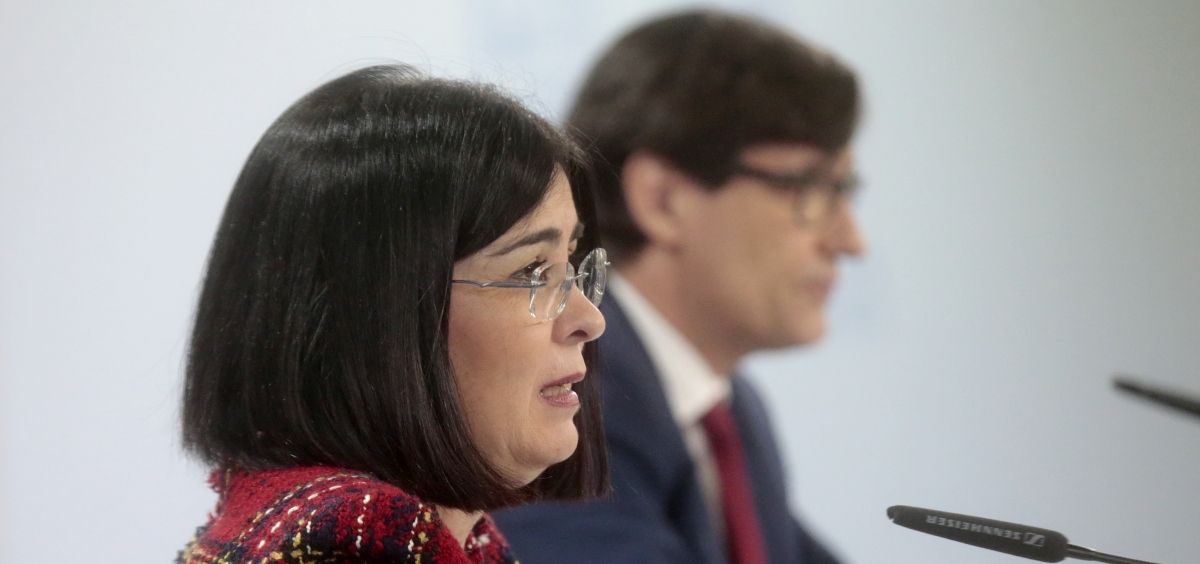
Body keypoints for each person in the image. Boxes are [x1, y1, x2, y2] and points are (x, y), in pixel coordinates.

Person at [178, 64, 610, 563]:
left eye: (571, 263)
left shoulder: (443, 539)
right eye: (531, 271)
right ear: (377, 318)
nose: (590, 320)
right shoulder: (354, 547)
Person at [494, 9, 864, 564]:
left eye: (844, 192)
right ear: (664, 200)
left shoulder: (729, 412)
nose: (851, 241)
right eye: (810, 190)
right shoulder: (569, 395)